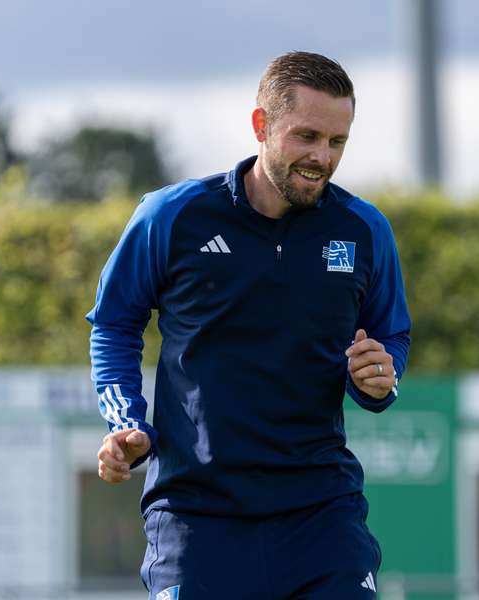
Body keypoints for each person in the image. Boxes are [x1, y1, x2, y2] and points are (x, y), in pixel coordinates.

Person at [87, 51, 411, 600]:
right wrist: (125, 418)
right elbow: (115, 323)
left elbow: (391, 339)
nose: (321, 157)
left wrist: (380, 377)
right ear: (261, 125)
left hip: (321, 516)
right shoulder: (172, 216)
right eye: (306, 136)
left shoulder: (364, 230)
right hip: (197, 515)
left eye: (337, 143)